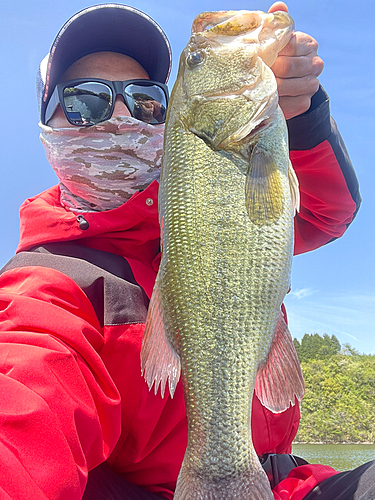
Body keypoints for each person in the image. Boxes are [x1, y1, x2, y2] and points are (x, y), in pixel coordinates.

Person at [0, 3, 368, 500]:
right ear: (49, 125)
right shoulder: (46, 285)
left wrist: (303, 121)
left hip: (282, 482)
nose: (123, 114)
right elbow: (23, 405)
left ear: (168, 121)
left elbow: (325, 214)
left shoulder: (192, 202)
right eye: (86, 101)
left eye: (147, 100)